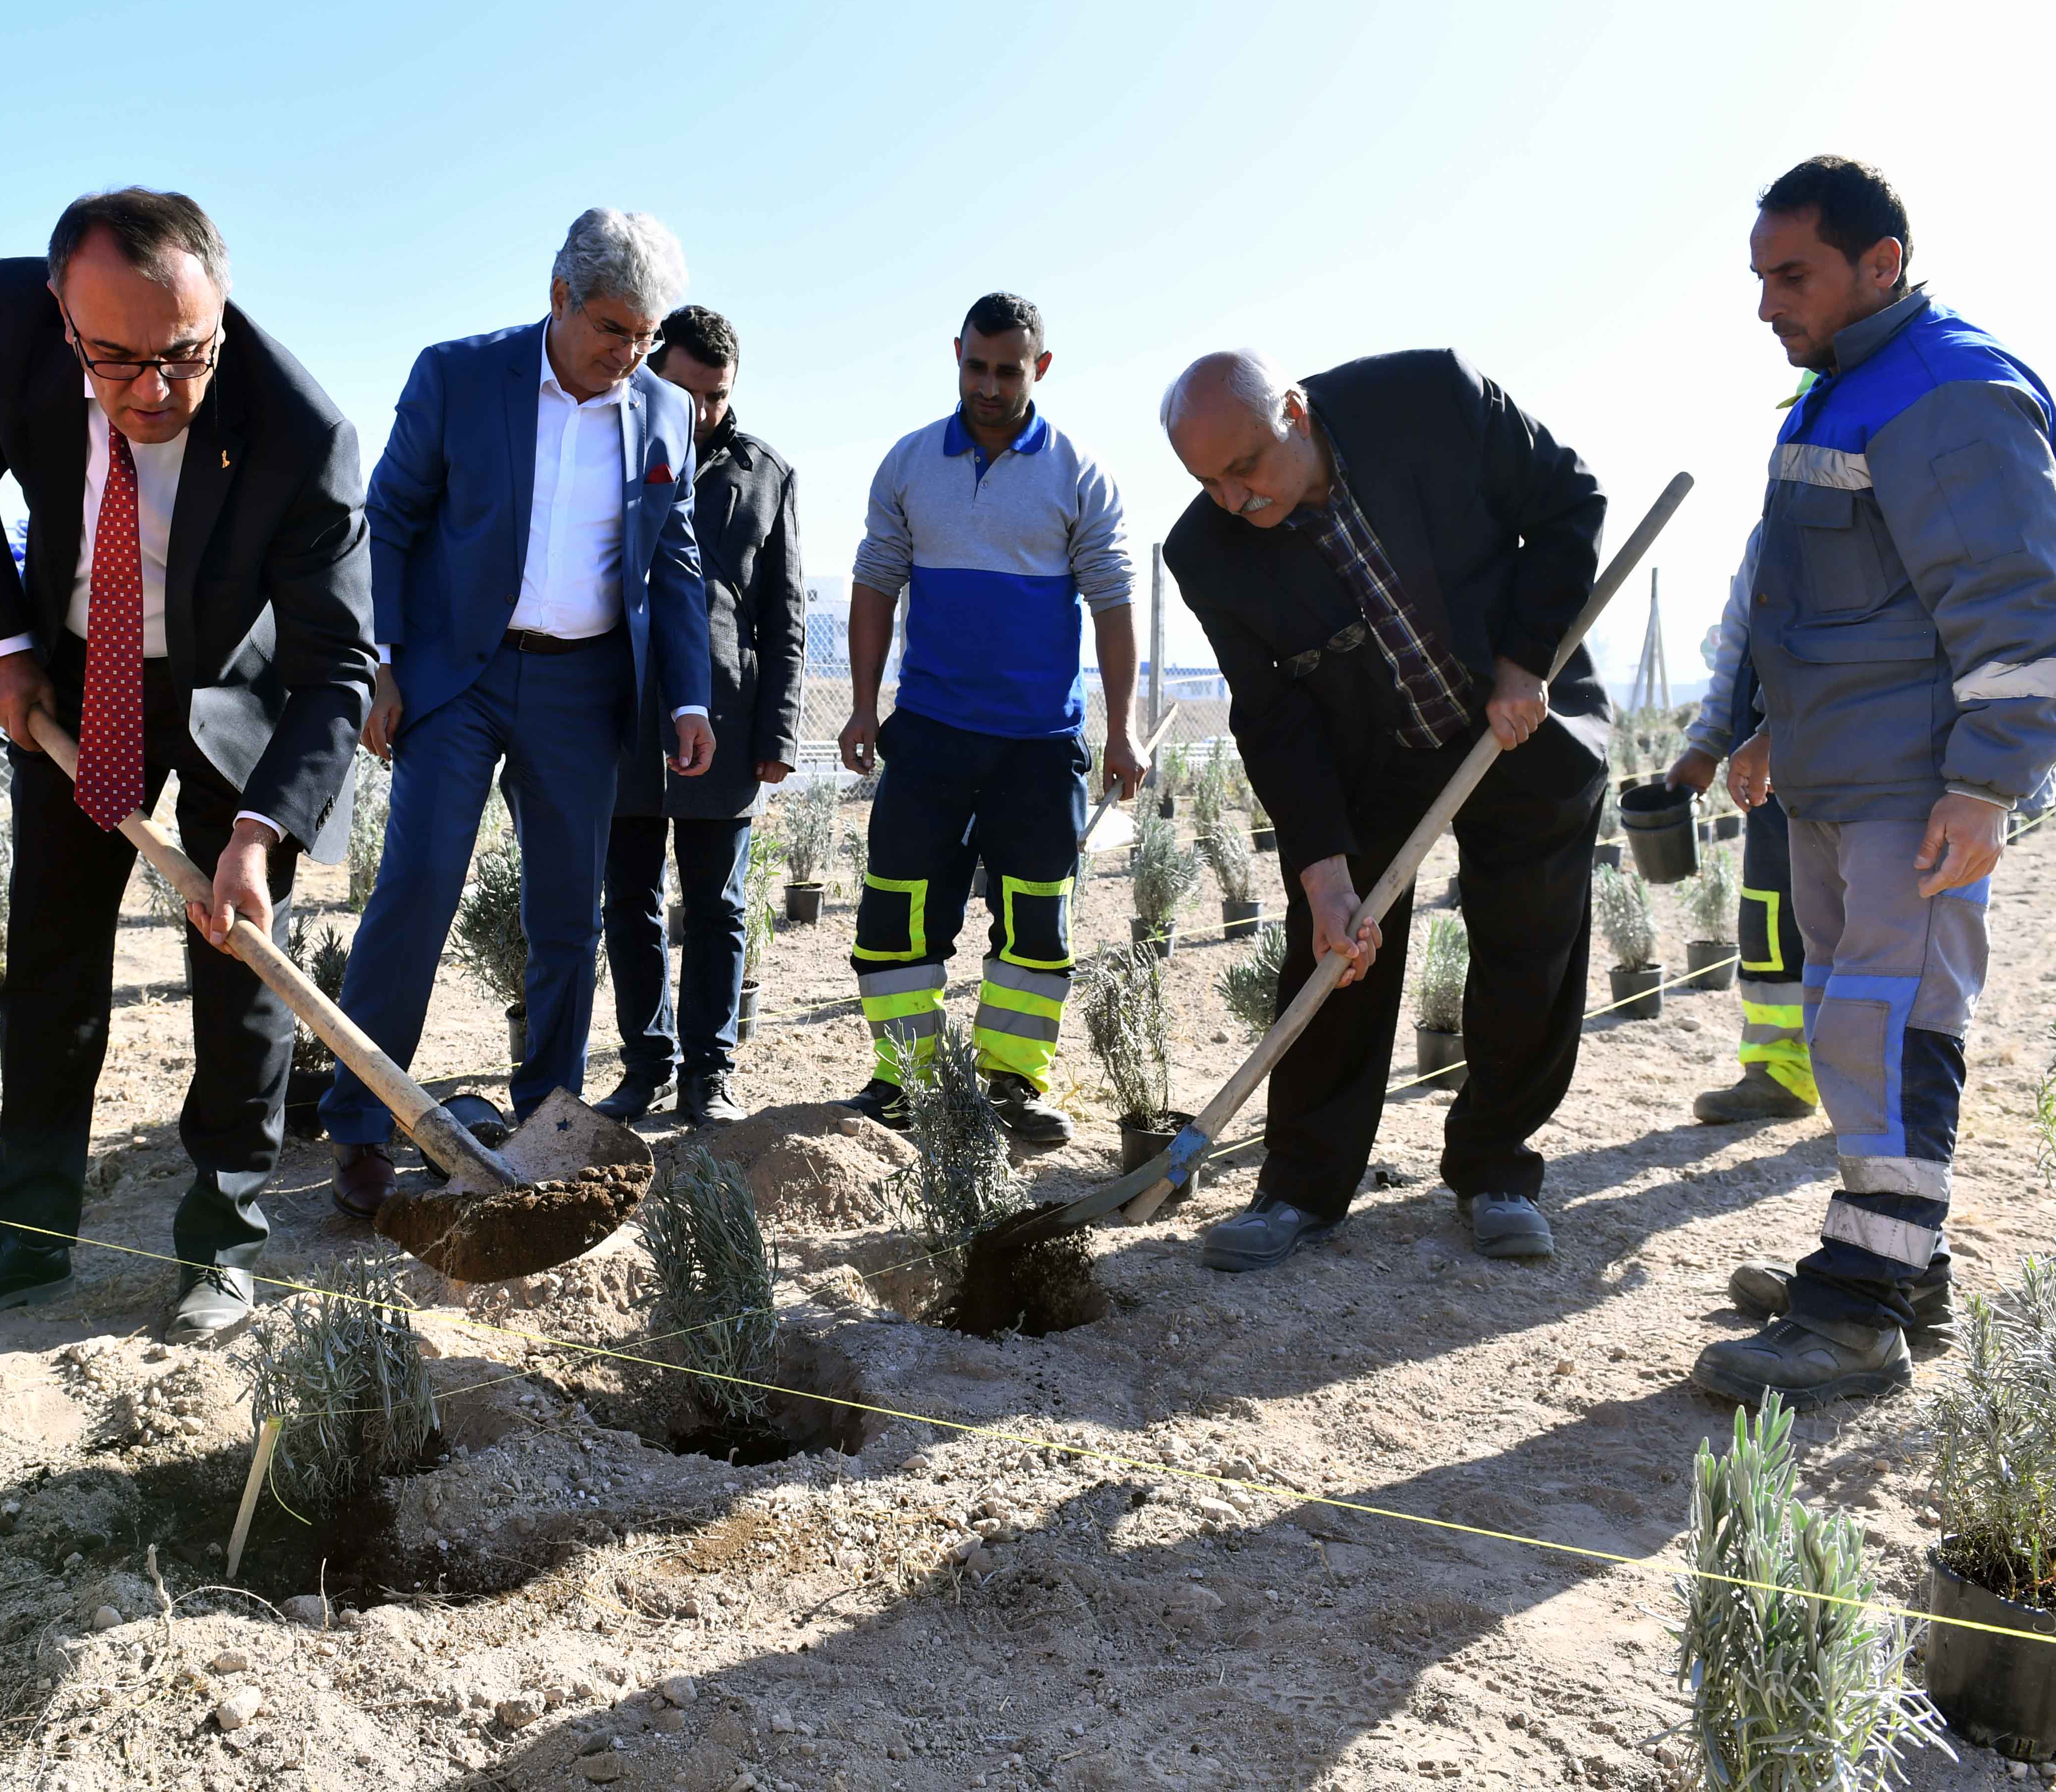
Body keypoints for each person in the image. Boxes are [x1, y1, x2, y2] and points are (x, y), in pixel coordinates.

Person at [0, 189, 375, 1342]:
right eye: (116, 361)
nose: (155, 394)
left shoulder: (304, 433)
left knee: (240, 963)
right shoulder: (11, 315)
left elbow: (339, 669)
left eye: (184, 358)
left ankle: (224, 1241)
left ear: (222, 307)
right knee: (49, 949)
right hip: (73, 671)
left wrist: (260, 833)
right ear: (63, 315)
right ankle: (27, 1233)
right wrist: (2, 647)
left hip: (231, 687)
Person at [1691, 156, 2056, 1407]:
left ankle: (1858, 1312)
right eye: (1759, 277)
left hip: (1912, 794)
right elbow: (1802, 601)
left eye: (1789, 275)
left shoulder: (1945, 393)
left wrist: (1984, 786)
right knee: (1851, 1017)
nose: (1766, 305)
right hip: (1833, 777)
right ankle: (1898, 1266)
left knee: (1893, 1020)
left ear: (1881, 266)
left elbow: (2019, 604)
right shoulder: (1840, 393)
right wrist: (1757, 732)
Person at [1158, 346, 1607, 1271]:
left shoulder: (1430, 401)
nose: (1234, 501)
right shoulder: (1206, 552)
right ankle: (1300, 1189)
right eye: (1209, 484)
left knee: (1527, 949)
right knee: (1335, 953)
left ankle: (1495, 1169)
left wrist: (1525, 661)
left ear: (1293, 410)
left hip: (1510, 714)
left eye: (1244, 469)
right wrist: (1321, 870)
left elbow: (1568, 505)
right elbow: (1272, 713)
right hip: (1367, 752)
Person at [318, 211, 711, 1215]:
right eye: (611, 329)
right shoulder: (459, 377)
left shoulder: (665, 412)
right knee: (415, 889)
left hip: (585, 692)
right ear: (559, 298)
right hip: (458, 677)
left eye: (642, 335)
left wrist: (690, 693)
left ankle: (547, 1122)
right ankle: (364, 1124)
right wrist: (384, 662)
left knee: (567, 918)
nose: (626, 354)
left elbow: (674, 561)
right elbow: (391, 517)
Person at [834, 293, 1142, 1145]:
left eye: (1008, 370)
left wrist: (1122, 729)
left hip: (1038, 745)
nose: (990, 384)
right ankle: (904, 1083)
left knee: (1036, 920)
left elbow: (1113, 602)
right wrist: (865, 706)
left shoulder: (1078, 473)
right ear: (957, 356)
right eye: (976, 365)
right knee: (895, 908)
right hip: (929, 732)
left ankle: (1011, 1086)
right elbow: (875, 582)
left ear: (1039, 368)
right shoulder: (907, 464)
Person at [595, 305, 805, 1129]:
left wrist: (777, 733)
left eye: (715, 397)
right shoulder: (608, 452)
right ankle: (645, 1067)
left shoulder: (768, 473)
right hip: (624, 716)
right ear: (650, 375)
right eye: (682, 393)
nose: (699, 414)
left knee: (717, 904)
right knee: (628, 901)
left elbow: (783, 615)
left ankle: (708, 1075)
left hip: (727, 725)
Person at [1665, 534, 1818, 1126]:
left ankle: (1885, 1093)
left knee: (1875, 923)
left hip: (1868, 760)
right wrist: (1708, 740)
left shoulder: (1903, 505)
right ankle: (1778, 1074)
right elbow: (1740, 638)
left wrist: (1782, 728)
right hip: (1773, 769)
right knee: (1771, 917)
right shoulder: (1775, 530)